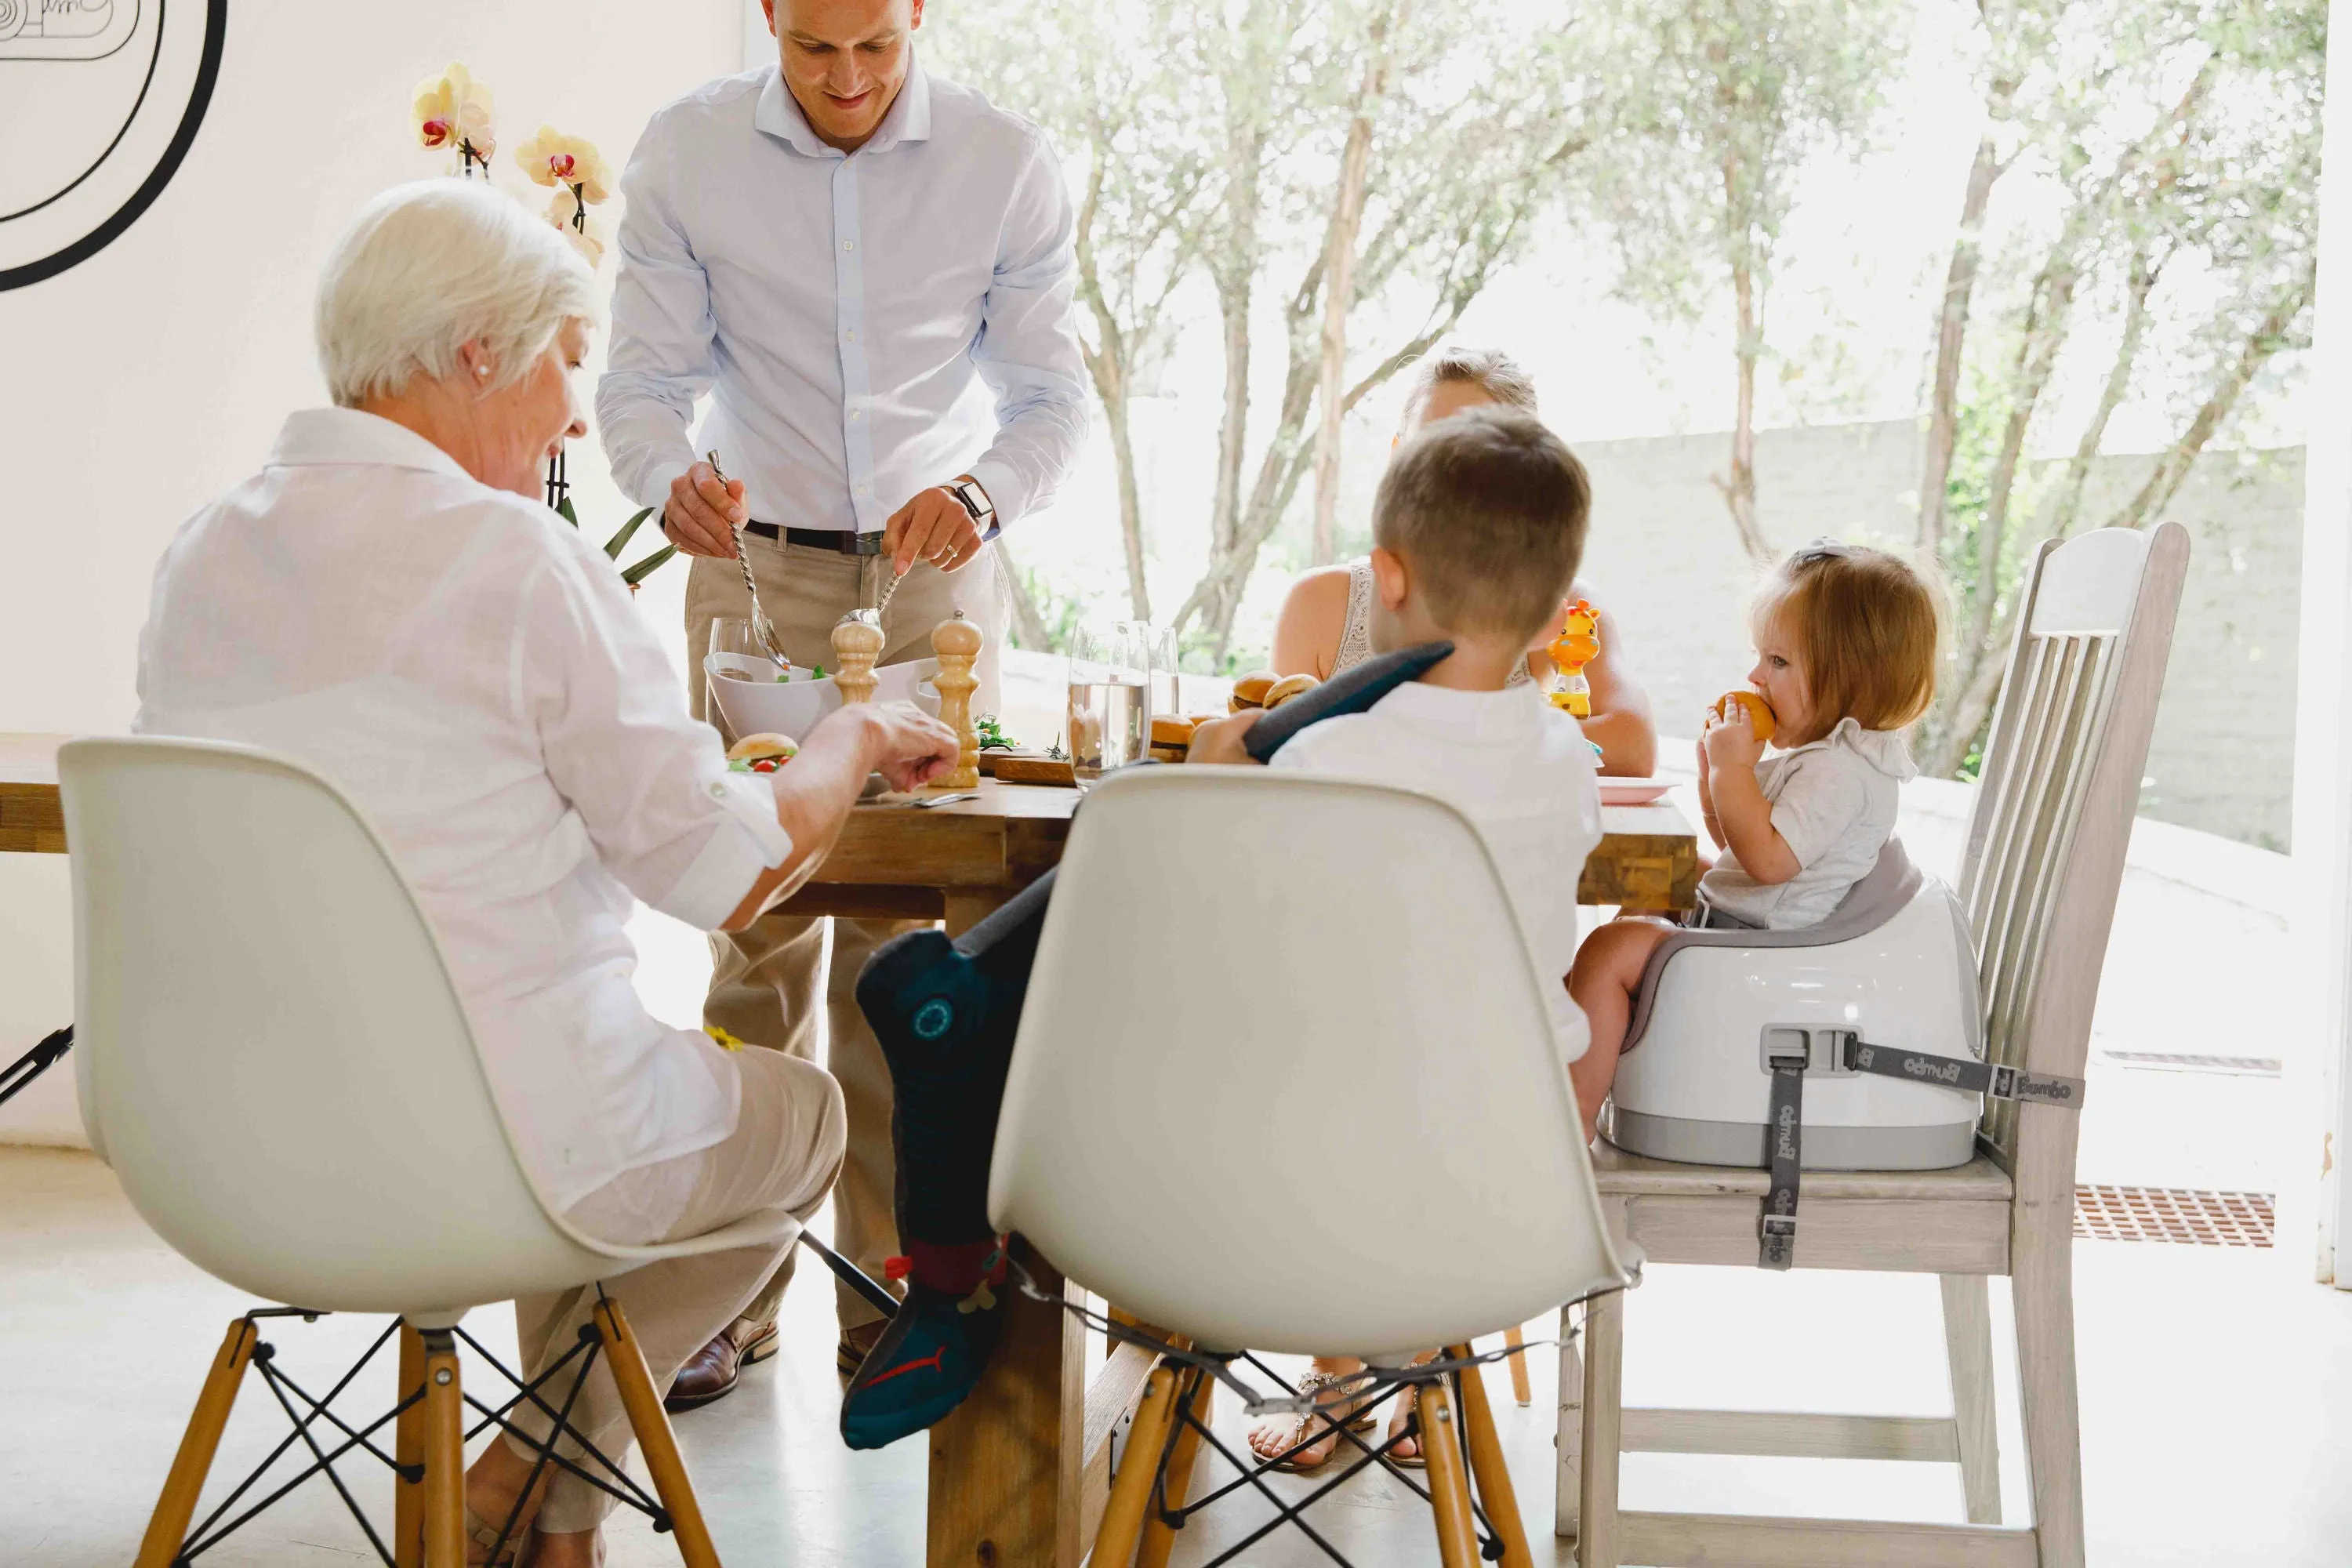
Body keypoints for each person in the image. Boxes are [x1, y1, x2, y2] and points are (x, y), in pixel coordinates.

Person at [132, 180, 960, 1567]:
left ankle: (542, 1514)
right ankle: (534, 1473)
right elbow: (725, 873)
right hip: (509, 1151)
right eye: (564, 366)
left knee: (580, 1075)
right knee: (800, 1115)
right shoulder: (520, 563)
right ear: (476, 354)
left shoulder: (199, 553)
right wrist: (858, 730)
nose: (575, 418)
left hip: (225, 1149)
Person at [841, 409, 1605, 1460]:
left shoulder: (1319, 762)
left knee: (1099, 983)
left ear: (1384, 578)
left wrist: (1216, 769)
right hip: (1479, 1220)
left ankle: (951, 1252)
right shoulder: (1568, 765)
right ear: (1560, 608)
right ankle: (951, 1183)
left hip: (1236, 1209)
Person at [596, 0, 1088, 1405]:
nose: (851, 79)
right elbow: (640, 384)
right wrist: (662, 479)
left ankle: (892, 1293)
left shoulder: (1004, 160)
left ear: (919, 14)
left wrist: (985, 493)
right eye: (818, 50)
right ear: (769, 20)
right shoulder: (687, 154)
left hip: (939, 578)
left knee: (904, 948)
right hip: (753, 568)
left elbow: (1053, 396)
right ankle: (726, 1297)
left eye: (877, 44)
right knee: (751, 928)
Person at [1566, 542, 1941, 1143]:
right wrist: (1718, 779)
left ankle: (1572, 1117)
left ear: (1852, 673)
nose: (1755, 678)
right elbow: (1743, 848)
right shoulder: (1829, 757)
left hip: (1765, 952)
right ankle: (1637, 1030)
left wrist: (1732, 772)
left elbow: (1766, 862)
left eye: (1778, 661)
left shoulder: (1840, 774)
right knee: (1665, 872)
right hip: (1755, 921)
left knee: (1609, 950)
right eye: (1758, 657)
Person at [1269, 347, 1657, 777]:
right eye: (1433, 447)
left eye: (1482, 458)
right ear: (1398, 456)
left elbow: (1633, 746)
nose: (1452, 480)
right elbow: (1283, 773)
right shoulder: (1318, 604)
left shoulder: (1561, 606)